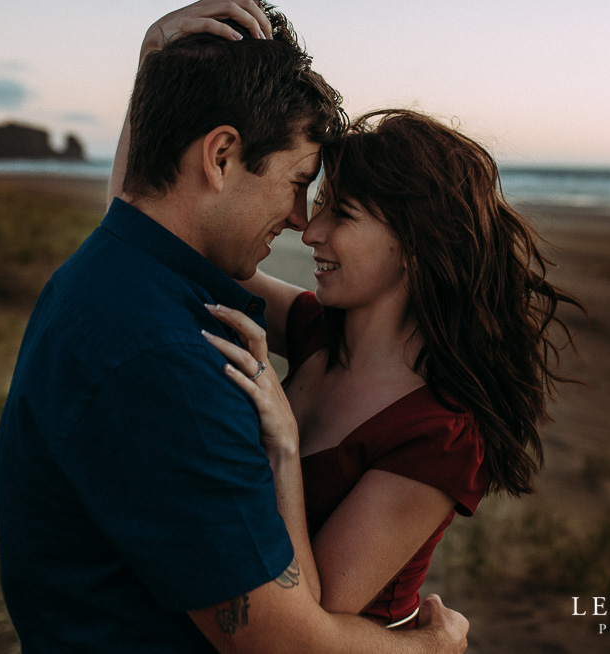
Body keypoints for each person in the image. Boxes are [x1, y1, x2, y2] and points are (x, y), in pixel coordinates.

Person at [0, 1, 468, 652]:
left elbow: (139, 208)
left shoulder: (114, 268)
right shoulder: (172, 362)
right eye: (300, 183)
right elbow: (285, 642)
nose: (304, 222)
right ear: (221, 157)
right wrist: (428, 649)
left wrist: (155, 74)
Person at [199, 108, 585, 626]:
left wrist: (284, 449)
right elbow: (171, 240)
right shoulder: (318, 331)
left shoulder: (439, 435)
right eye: (320, 206)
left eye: (342, 214)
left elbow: (312, 622)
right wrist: (153, 69)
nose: (310, 231)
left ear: (414, 244)